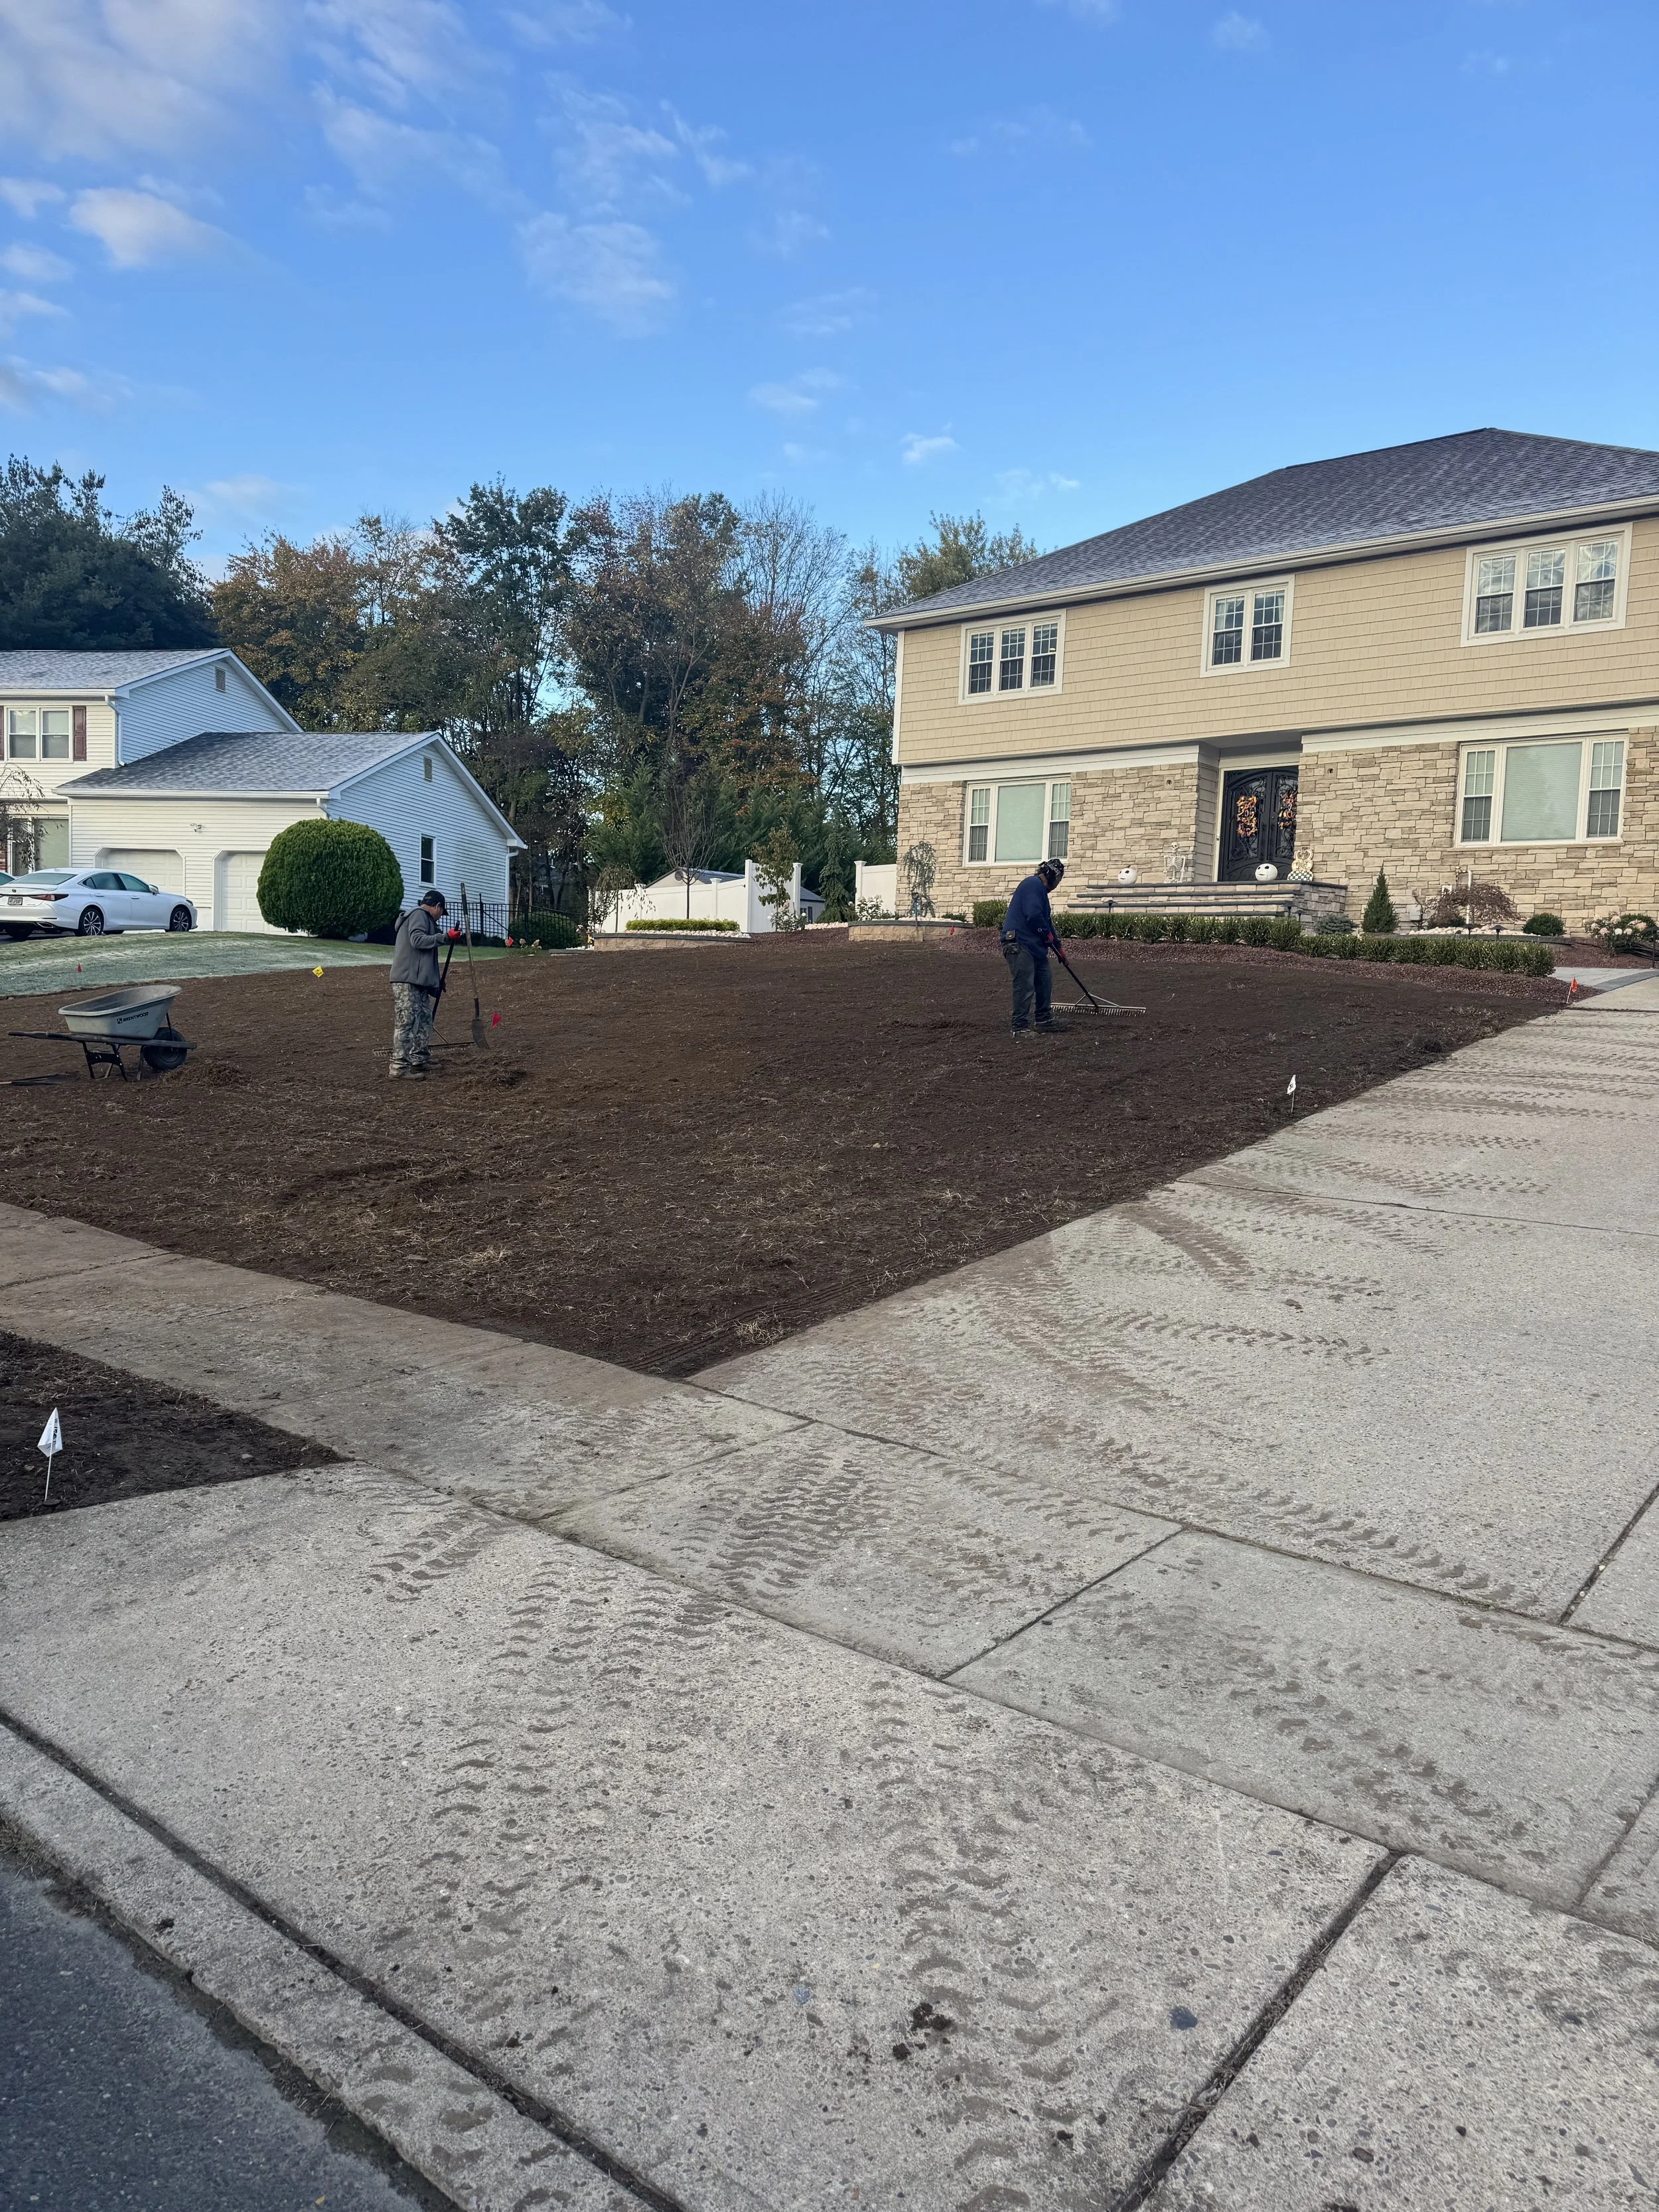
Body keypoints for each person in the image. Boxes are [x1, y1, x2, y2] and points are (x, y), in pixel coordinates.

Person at [388, 889, 457, 1079]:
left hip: (417, 982)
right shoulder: (419, 915)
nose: (441, 917)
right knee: (407, 1022)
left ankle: (419, 1060)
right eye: (442, 913)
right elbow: (417, 940)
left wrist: (434, 984)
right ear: (438, 907)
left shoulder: (426, 920)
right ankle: (399, 1068)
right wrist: (445, 938)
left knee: (424, 1020)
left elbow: (423, 959)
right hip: (407, 981)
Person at [1001, 859, 1070, 1037]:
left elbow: (1047, 924)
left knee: (1044, 979)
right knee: (1024, 984)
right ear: (1053, 876)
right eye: (1059, 880)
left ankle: (1043, 1020)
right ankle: (1020, 1027)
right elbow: (1033, 917)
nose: (1057, 885)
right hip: (1019, 943)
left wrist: (1058, 948)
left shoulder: (1041, 894)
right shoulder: (1033, 885)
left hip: (1034, 945)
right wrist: (1045, 935)